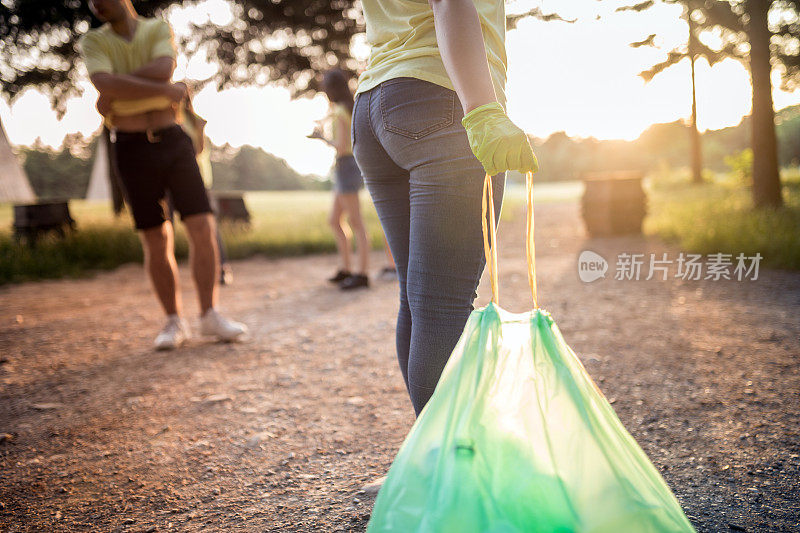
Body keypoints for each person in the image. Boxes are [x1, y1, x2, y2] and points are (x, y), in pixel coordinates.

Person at [352, 0, 538, 416]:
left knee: (418, 298)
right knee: (439, 305)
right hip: (440, 100)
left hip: (373, 105)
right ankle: (447, 471)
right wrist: (484, 110)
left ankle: (431, 458)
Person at [79, 0, 247, 349]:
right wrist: (161, 90)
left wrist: (117, 87)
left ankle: (209, 315)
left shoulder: (157, 28)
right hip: (128, 145)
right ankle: (173, 321)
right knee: (155, 237)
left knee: (202, 225)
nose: (96, 5)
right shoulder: (93, 41)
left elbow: (161, 68)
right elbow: (104, 81)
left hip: (173, 140)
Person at [308, 69, 370, 290]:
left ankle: (362, 274)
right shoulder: (343, 110)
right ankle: (346, 269)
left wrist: (321, 138)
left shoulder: (342, 111)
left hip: (347, 166)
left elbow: (342, 146)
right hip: (345, 167)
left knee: (356, 222)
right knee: (335, 220)